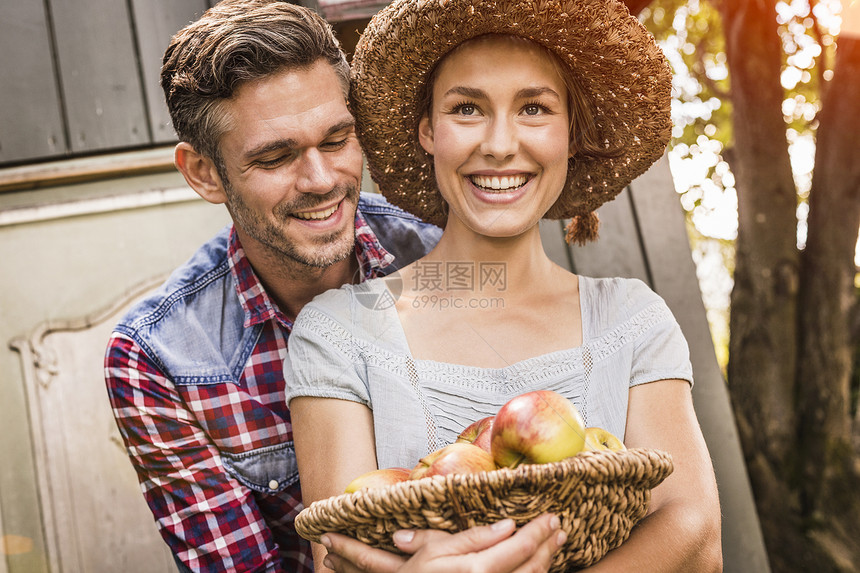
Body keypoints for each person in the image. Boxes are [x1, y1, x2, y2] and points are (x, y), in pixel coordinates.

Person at [104, 1, 567, 572]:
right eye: (274, 157)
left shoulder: (444, 259)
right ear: (203, 172)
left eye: (335, 140)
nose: (321, 181)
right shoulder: (156, 357)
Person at [285, 0, 723, 571]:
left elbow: (697, 539)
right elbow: (337, 556)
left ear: (570, 135)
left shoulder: (631, 322)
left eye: (534, 108)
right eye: (467, 108)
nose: (498, 143)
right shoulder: (339, 333)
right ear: (428, 133)